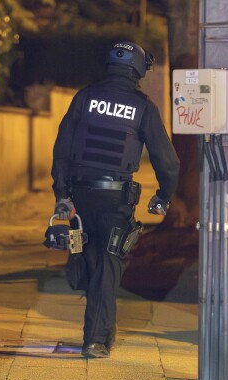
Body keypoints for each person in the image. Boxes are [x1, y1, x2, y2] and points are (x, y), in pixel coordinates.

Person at [51, 41, 180, 358]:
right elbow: (169, 162)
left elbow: (62, 149)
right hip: (115, 200)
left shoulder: (85, 97)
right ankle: (95, 339)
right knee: (109, 265)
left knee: (92, 259)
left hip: (81, 195)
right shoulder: (143, 107)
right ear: (138, 68)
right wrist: (162, 196)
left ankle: (99, 330)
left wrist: (62, 195)